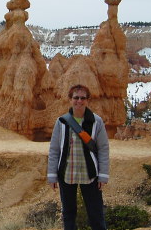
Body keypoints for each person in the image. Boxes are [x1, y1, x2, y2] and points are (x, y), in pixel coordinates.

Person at [47, 84, 109, 230]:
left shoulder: (96, 122)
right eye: (76, 98)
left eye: (82, 98)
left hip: (90, 174)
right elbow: (54, 149)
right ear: (70, 99)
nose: (79, 101)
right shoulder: (61, 122)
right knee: (68, 214)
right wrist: (51, 176)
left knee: (96, 214)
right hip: (66, 174)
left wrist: (103, 176)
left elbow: (103, 149)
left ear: (88, 100)